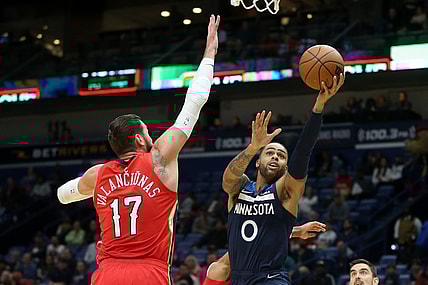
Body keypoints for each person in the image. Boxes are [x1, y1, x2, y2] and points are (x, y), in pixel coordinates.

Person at [56, 15, 221, 285]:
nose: (151, 135)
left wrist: (80, 190)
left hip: (107, 273)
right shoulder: (159, 158)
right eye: (147, 131)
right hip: (148, 272)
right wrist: (209, 53)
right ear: (138, 137)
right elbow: (195, 102)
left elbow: (63, 195)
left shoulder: (97, 175)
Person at [222, 73, 344, 285]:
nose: (275, 156)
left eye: (281, 155)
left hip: (270, 279)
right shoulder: (240, 187)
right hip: (239, 279)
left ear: (286, 166)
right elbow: (227, 180)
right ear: (258, 161)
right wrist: (252, 148)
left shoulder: (285, 191)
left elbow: (303, 151)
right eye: (269, 152)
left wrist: (318, 107)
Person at [203, 221, 327, 285]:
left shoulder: (218, 270)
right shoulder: (220, 270)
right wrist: (297, 231)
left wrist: (298, 231)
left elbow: (250, 243)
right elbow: (249, 244)